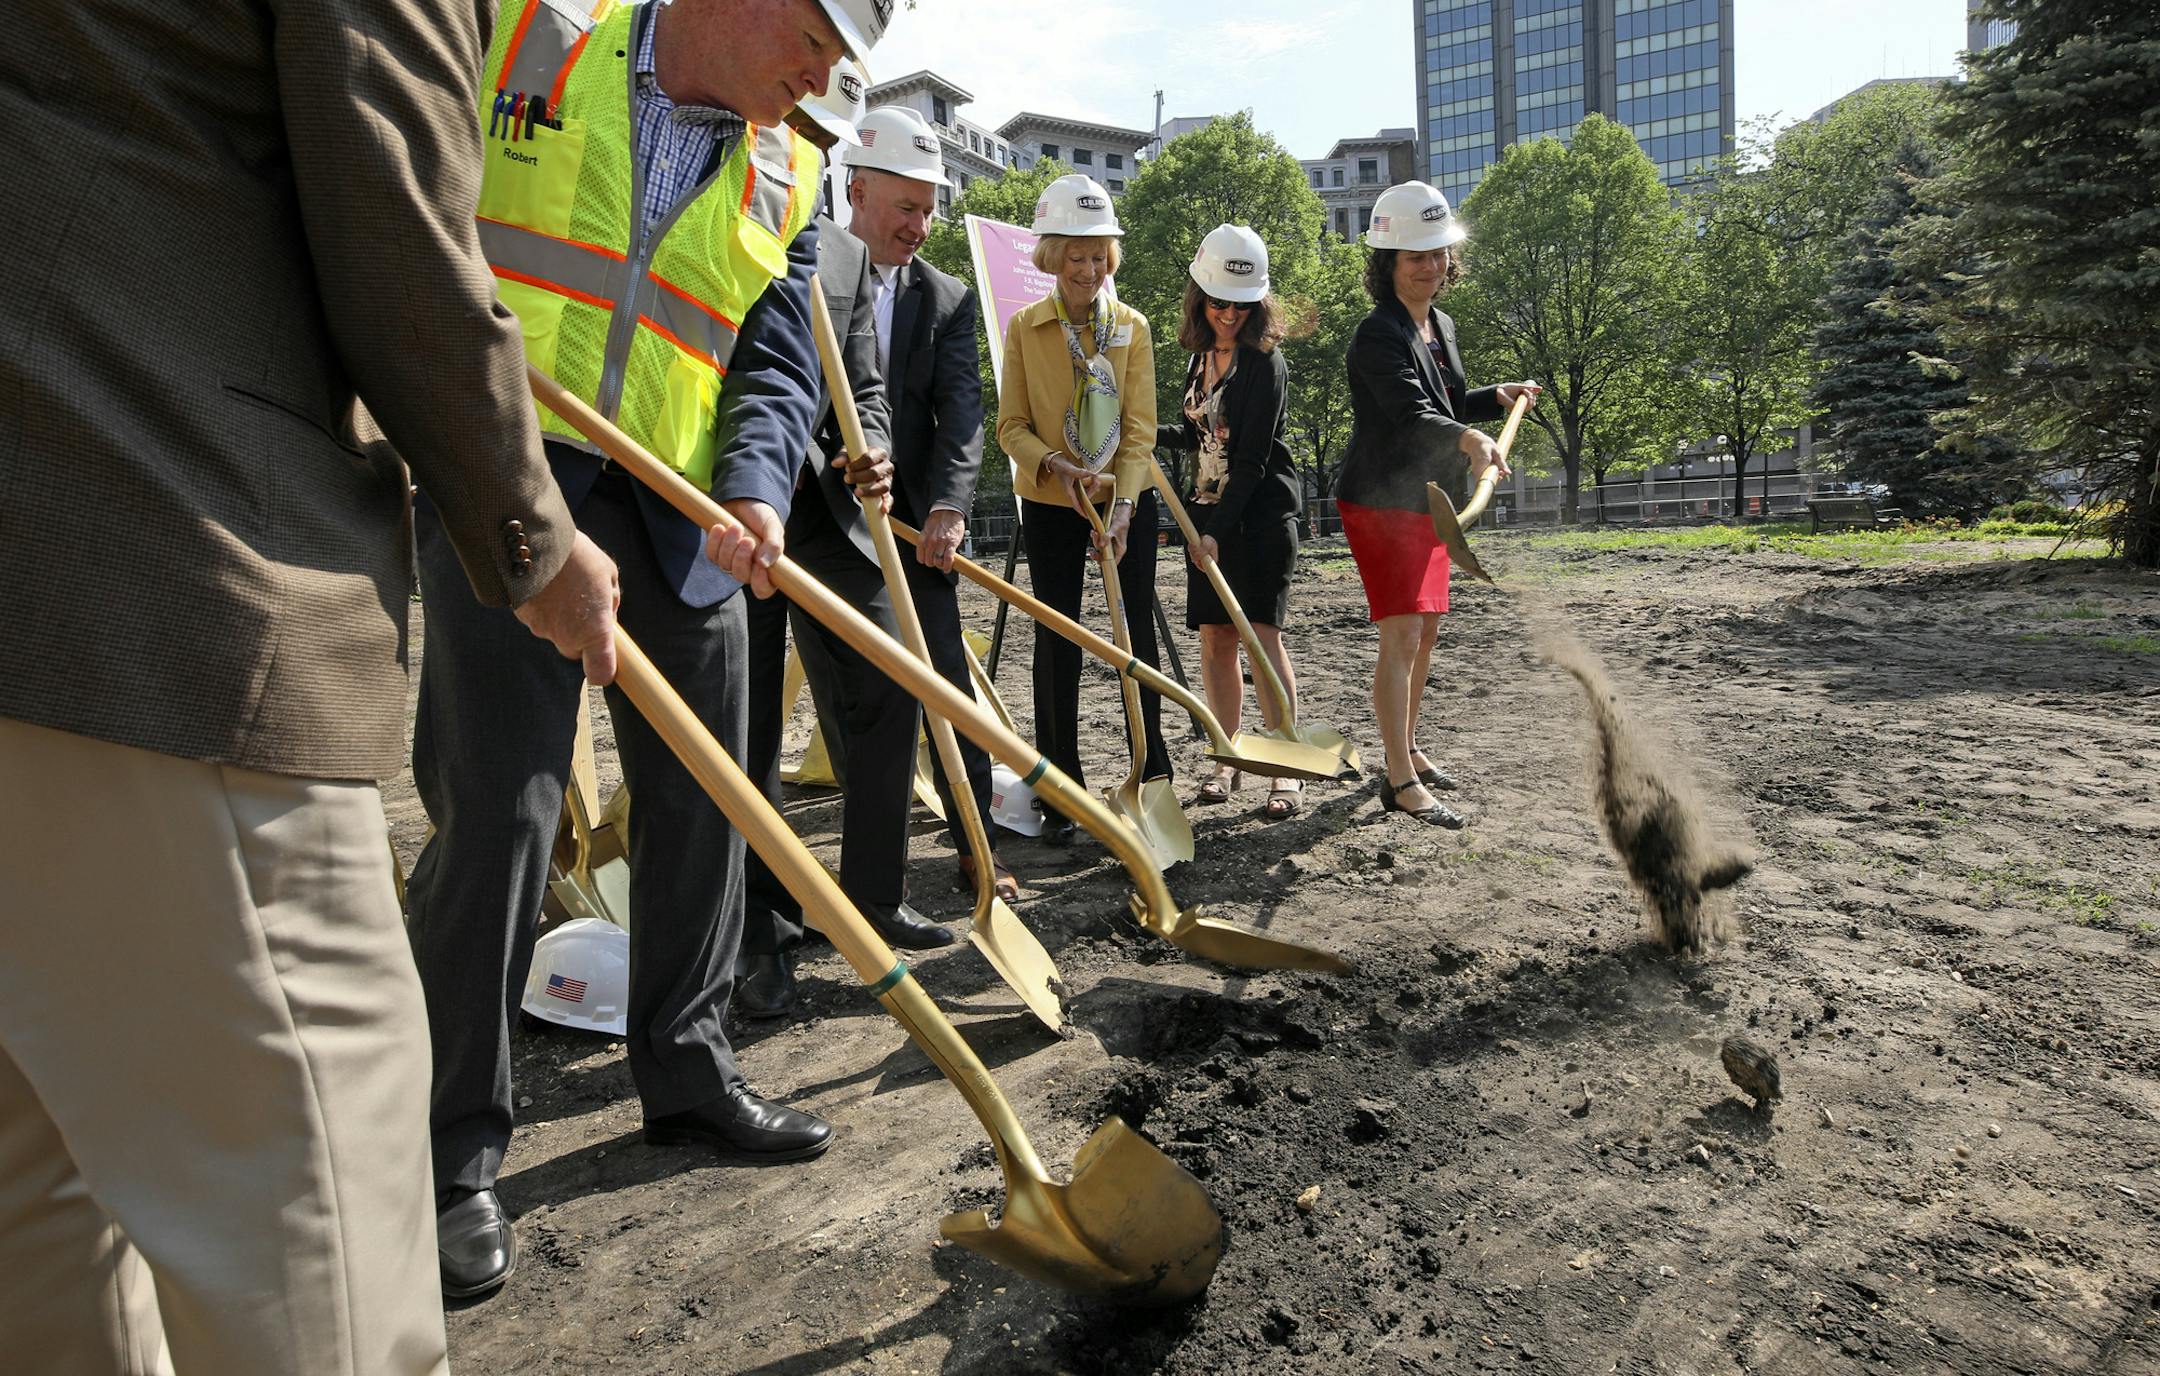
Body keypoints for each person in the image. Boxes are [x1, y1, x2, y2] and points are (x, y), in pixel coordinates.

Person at [0, 0, 620, 1368]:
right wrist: (533, 537)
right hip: (161, 587)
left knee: (40, 1202)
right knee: (311, 1227)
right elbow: (392, 213)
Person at [402, 0, 893, 1302]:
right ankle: (451, 1152)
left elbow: (779, 352)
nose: (822, 75)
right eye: (817, 37)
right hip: (514, 466)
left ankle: (686, 1068)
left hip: (679, 508)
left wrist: (757, 490)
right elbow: (402, 204)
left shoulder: (788, 162)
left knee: (710, 794)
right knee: (504, 807)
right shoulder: (533, 33)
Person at [741, 103, 1005, 1015]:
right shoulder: (783, 232)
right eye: (904, 205)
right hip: (741, 504)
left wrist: (884, 461)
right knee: (747, 733)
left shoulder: (904, 283)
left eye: (929, 209)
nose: (918, 225)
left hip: (845, 516)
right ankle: (760, 934)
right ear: (854, 188)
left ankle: (874, 897)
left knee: (896, 683)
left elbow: (868, 386)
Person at [1338, 181, 1539, 828]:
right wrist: (1469, 437)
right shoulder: (1376, 335)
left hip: (1428, 501)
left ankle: (1410, 748)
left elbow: (1443, 402)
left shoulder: (1438, 325)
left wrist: (1489, 399)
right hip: (1381, 501)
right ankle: (1397, 781)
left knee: (1426, 632)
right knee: (1401, 635)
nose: (1430, 266)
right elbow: (1408, 412)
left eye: (1438, 253)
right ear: (1388, 263)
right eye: (1414, 255)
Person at [997, 174, 1164, 845]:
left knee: (1136, 642)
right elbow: (1010, 424)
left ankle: (1153, 775)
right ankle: (1060, 788)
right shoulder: (1024, 329)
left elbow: (1140, 428)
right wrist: (1050, 463)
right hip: (1050, 502)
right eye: (1077, 257)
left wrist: (1122, 505)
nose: (1091, 270)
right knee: (1057, 638)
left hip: (1124, 505)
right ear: (1052, 256)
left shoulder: (1132, 329)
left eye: (1101, 257)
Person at [1155, 224, 1308, 821]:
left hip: (1258, 520)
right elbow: (1197, 437)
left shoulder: (1265, 364)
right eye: (1218, 302)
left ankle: (1286, 765)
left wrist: (1219, 529)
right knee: (1215, 640)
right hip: (1207, 520)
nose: (1228, 314)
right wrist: (1139, 431)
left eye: (1241, 305)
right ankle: (1228, 756)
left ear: (1258, 302)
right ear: (1201, 298)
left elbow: (1252, 458)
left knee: (1261, 639)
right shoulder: (1199, 358)